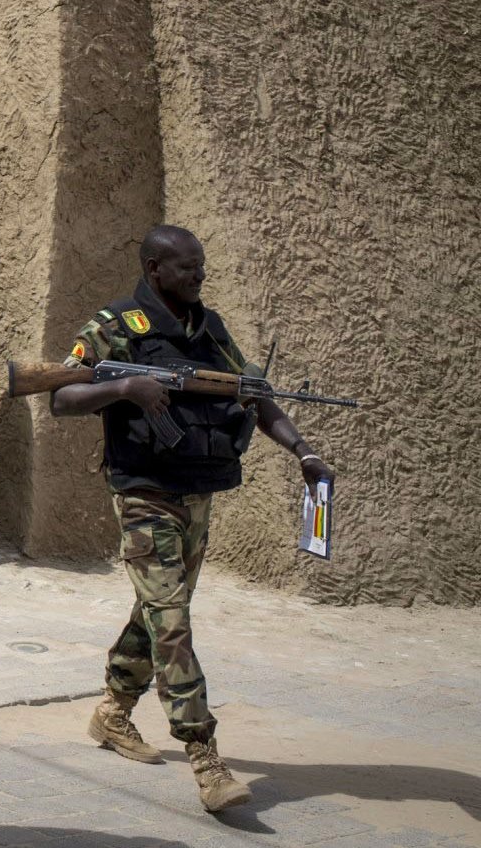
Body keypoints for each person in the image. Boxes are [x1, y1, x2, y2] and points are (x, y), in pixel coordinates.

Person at [52, 225, 334, 813]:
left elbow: (252, 394)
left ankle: (111, 713)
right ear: (155, 268)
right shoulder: (114, 325)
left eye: (201, 267)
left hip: (196, 494)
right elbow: (61, 396)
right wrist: (127, 385)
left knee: (157, 611)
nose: (198, 277)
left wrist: (302, 451)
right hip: (142, 491)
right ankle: (205, 756)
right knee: (172, 620)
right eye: (187, 269)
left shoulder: (209, 329)